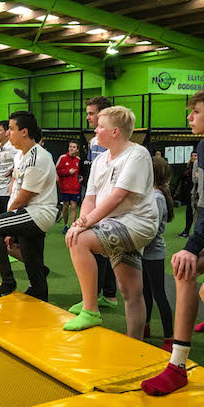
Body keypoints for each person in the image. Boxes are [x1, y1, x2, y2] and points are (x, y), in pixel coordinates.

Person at [63, 106, 158, 339]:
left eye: (100, 126)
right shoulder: (100, 160)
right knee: (130, 291)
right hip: (113, 223)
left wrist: (84, 224)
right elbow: (90, 197)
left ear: (115, 131)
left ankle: (90, 309)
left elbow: (118, 196)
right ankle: (135, 340)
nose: (95, 130)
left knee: (79, 241)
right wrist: (80, 222)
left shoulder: (137, 154)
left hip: (136, 223)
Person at [141, 91, 204, 396]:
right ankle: (177, 366)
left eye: (196, 111)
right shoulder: (202, 146)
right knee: (184, 269)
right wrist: (193, 246)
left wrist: (192, 246)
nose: (189, 117)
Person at [0, 111, 57, 300]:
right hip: (27, 212)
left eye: (11, 128)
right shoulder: (20, 156)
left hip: (38, 213)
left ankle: (8, 281)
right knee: (33, 261)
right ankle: (39, 293)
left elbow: (23, 198)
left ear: (24, 132)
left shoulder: (37, 158)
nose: (8, 133)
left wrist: (8, 226)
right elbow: (15, 189)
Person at [80, 96, 119, 311]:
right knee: (104, 250)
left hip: (108, 204)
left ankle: (93, 299)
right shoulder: (94, 141)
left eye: (91, 113)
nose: (88, 117)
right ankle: (109, 295)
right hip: (96, 200)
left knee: (101, 250)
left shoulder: (114, 141)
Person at [142, 156, 174, 352]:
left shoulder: (157, 197)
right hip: (144, 252)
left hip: (153, 253)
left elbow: (151, 230)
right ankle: (145, 326)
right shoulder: (152, 195)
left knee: (159, 294)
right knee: (145, 291)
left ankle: (169, 337)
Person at [0, 120, 20, 215]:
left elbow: (23, 160)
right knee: (0, 216)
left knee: (8, 217)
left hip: (9, 190)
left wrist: (14, 169)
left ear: (6, 132)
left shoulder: (14, 147)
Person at [56, 140, 81, 234]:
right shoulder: (62, 158)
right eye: (70, 146)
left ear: (77, 149)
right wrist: (68, 172)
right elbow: (56, 171)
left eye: (74, 147)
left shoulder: (78, 160)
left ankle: (72, 227)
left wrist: (80, 178)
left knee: (74, 207)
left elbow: (80, 172)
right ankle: (65, 225)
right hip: (65, 188)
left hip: (75, 188)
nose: (72, 148)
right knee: (66, 207)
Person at [175, 151, 197, 237]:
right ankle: (187, 231)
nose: (193, 157)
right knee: (189, 212)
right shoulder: (187, 167)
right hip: (188, 193)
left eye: (195, 155)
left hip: (197, 193)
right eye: (192, 155)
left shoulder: (199, 167)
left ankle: (195, 232)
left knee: (196, 213)